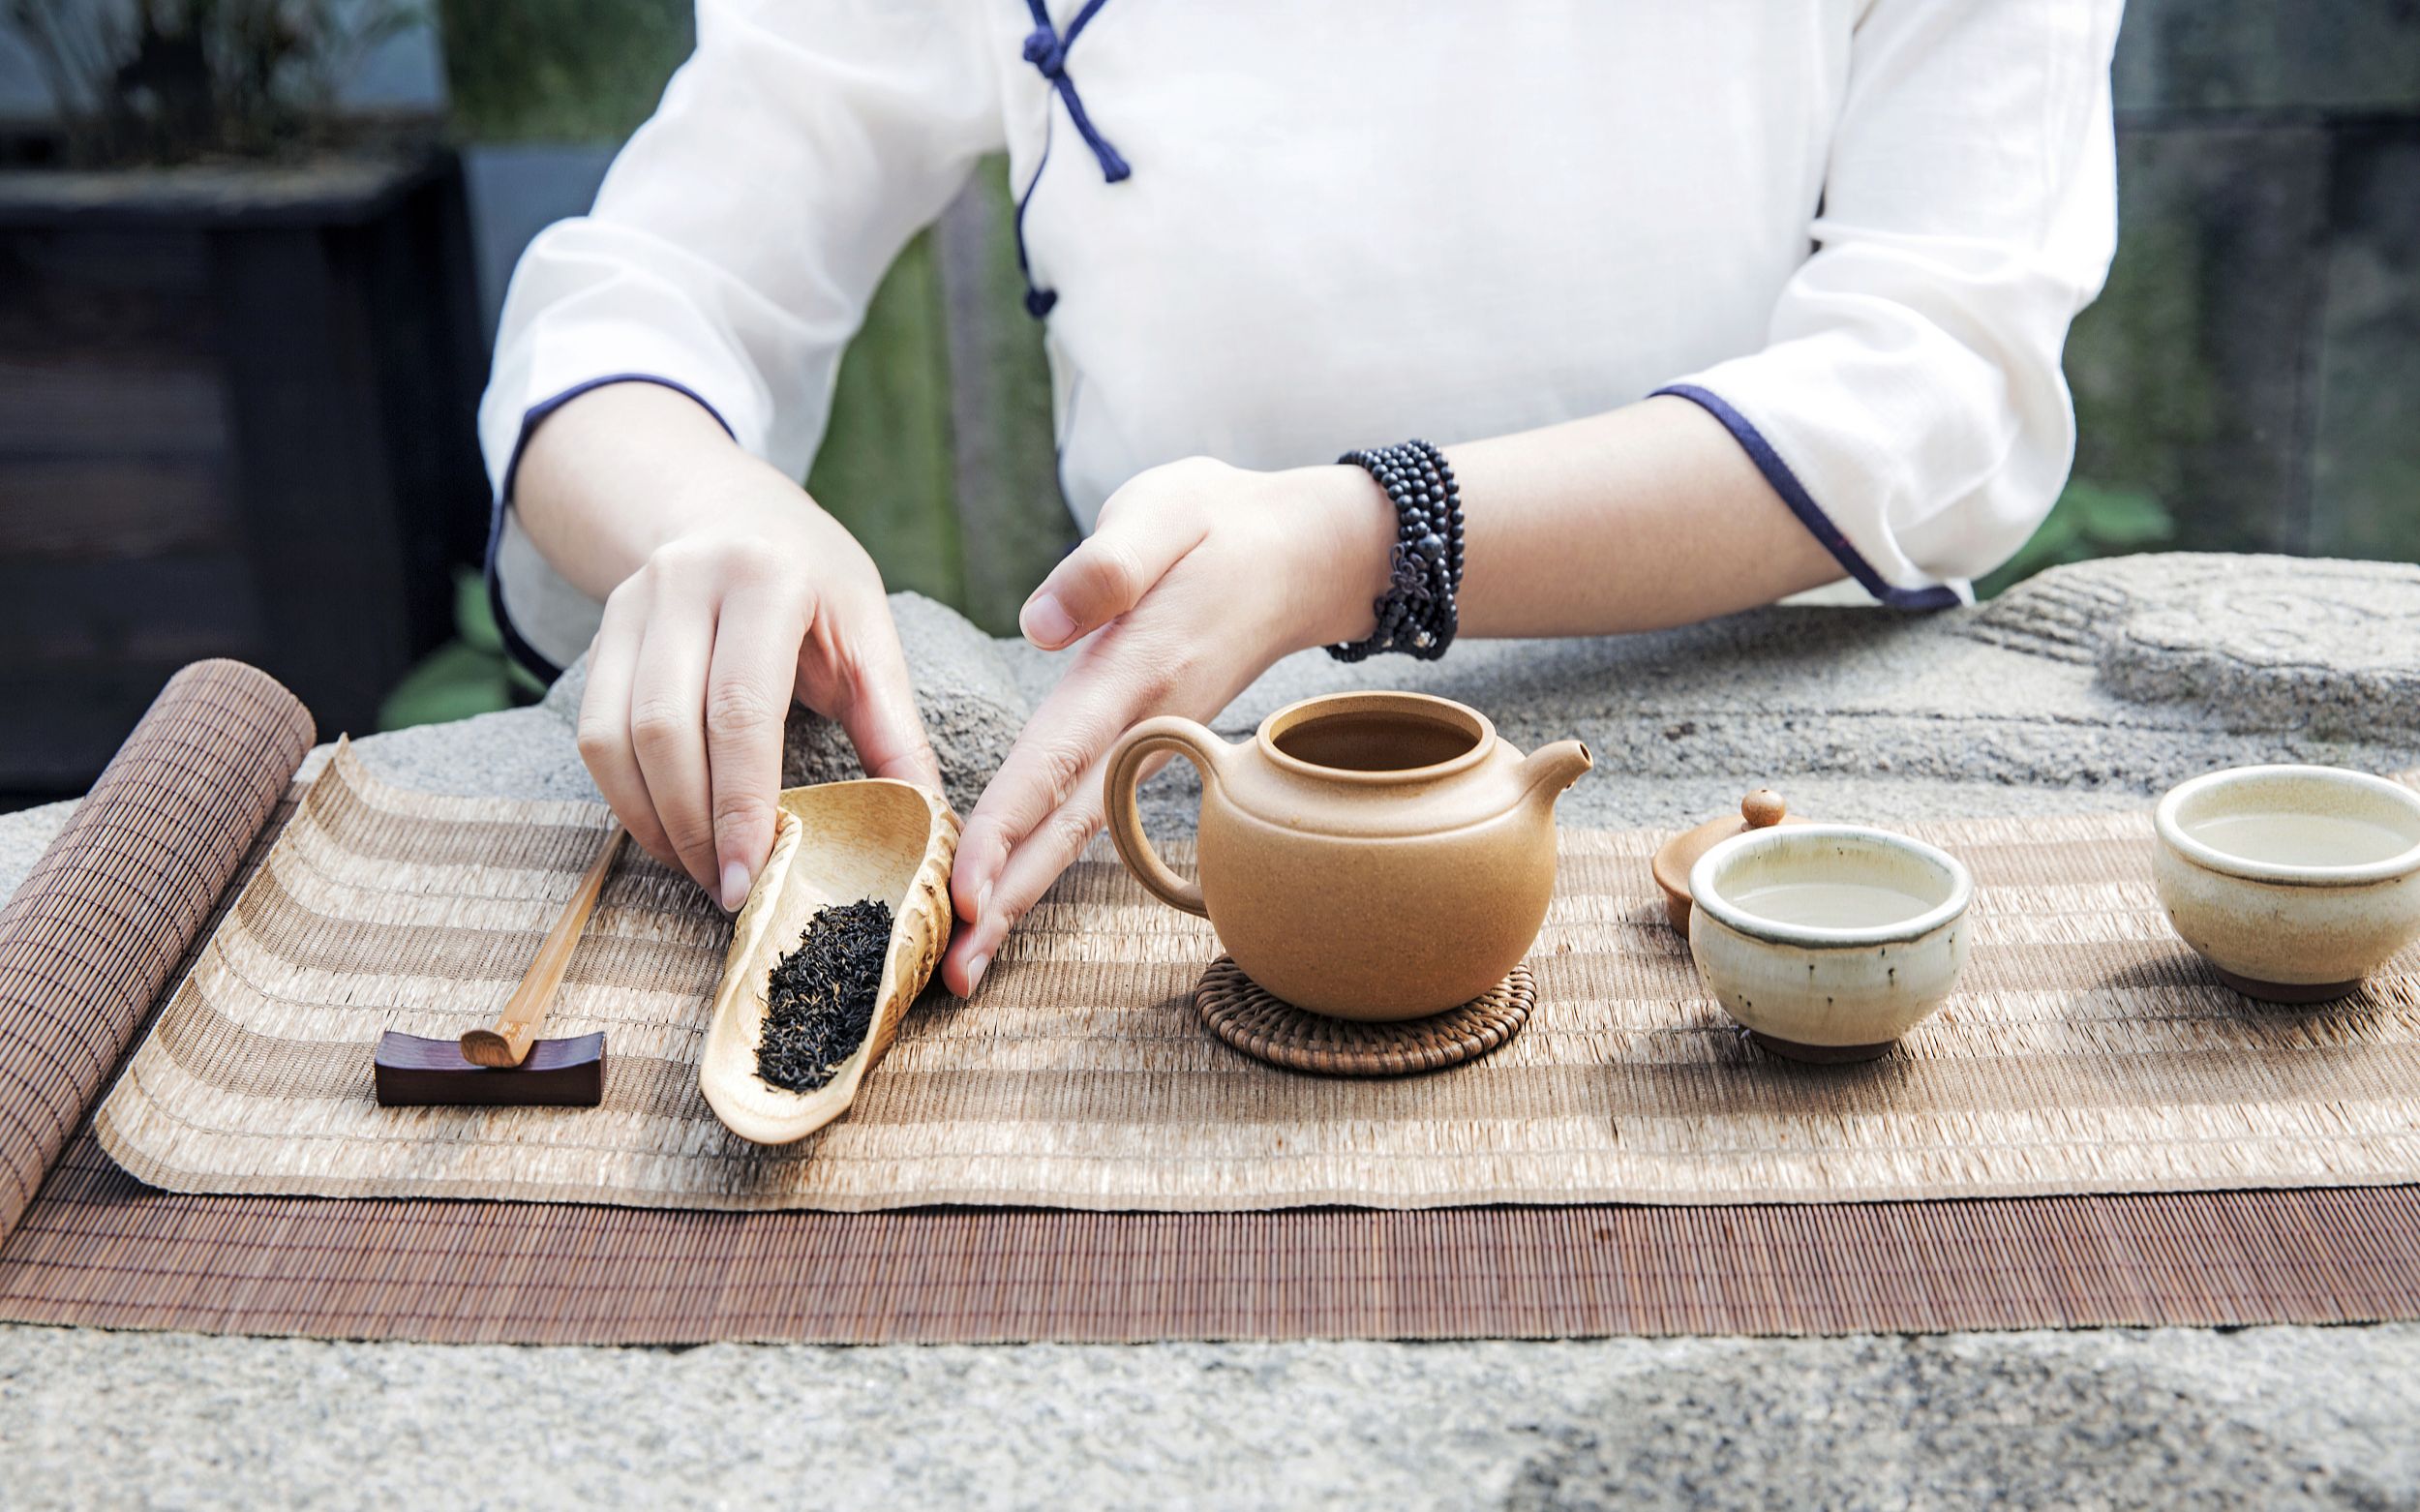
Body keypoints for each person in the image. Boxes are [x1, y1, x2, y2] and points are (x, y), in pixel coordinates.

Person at [479, 2, 2122, 998]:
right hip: (1189, 826)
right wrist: (714, 514)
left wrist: (1367, 536)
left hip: (1766, 819)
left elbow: (1941, 379)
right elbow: (646, 294)